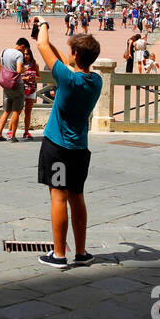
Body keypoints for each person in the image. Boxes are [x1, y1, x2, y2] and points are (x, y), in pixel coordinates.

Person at [31, 17, 102, 270]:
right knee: (77, 197)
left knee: (58, 198)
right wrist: (67, 55)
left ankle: (59, 254)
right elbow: (62, 63)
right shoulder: (95, 81)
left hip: (58, 147)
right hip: (79, 149)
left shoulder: (68, 79)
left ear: (75, 54)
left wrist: (44, 24)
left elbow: (42, 45)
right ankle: (81, 252)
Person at [0, 40, 27, 142]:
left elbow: (0, 67)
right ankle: (12, 136)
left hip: (6, 85)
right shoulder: (19, 54)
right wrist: (25, 69)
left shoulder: (4, 51)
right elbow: (19, 70)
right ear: (22, 46)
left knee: (6, 111)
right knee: (15, 111)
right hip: (16, 85)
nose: (24, 53)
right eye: (24, 50)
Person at [18, 39, 40, 141]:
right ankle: (11, 130)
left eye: (28, 54)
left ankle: (26, 131)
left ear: (31, 55)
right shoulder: (20, 64)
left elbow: (39, 77)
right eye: (25, 54)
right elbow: (16, 76)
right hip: (22, 89)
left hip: (31, 89)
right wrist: (25, 78)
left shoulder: (35, 65)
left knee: (28, 111)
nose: (26, 56)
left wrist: (34, 78)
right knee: (17, 111)